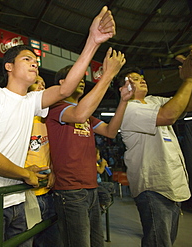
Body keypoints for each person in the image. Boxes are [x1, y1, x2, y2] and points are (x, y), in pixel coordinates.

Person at [0, 6, 117, 246]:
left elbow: (66, 88)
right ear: (9, 66)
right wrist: (26, 174)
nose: (34, 64)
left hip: (20, 199)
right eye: (27, 59)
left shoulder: (31, 101)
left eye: (36, 61)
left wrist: (92, 42)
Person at [117, 42, 192, 247]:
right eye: (135, 79)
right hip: (153, 187)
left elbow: (191, 104)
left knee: (166, 241)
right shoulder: (129, 109)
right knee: (158, 242)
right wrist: (189, 78)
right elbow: (169, 116)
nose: (142, 80)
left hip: (170, 183)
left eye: (141, 77)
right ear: (124, 89)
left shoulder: (155, 100)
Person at [45, 47, 131, 247]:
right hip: (70, 190)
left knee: (96, 243)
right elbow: (78, 115)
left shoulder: (87, 116)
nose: (82, 81)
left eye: (84, 79)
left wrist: (124, 102)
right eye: (75, 78)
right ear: (62, 84)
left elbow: (110, 131)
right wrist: (108, 75)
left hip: (92, 186)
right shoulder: (56, 109)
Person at [25, 75, 63, 247]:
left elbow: (53, 151)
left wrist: (54, 170)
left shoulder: (49, 120)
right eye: (36, 83)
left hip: (47, 192)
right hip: (25, 194)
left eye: (44, 83)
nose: (41, 86)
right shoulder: (21, 118)